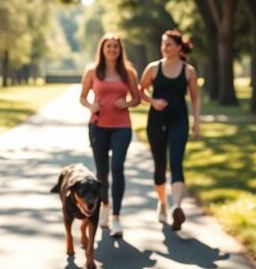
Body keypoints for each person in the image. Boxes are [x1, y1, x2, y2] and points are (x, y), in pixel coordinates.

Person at [79, 33, 141, 237]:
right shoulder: (92, 71)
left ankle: (116, 217)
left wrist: (128, 103)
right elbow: (82, 97)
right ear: (102, 49)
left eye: (115, 46)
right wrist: (91, 105)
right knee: (102, 172)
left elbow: (137, 98)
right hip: (98, 126)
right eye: (108, 46)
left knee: (117, 167)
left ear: (120, 49)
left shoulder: (128, 72)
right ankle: (104, 205)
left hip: (121, 125)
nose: (112, 49)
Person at [139, 30, 201, 231]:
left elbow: (195, 98)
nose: (164, 48)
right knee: (159, 165)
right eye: (163, 44)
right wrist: (153, 101)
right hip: (156, 121)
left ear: (178, 48)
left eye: (169, 44)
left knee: (176, 162)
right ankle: (163, 203)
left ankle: (177, 207)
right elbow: (140, 91)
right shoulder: (153, 68)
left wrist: (196, 121)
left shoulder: (188, 71)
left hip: (179, 121)